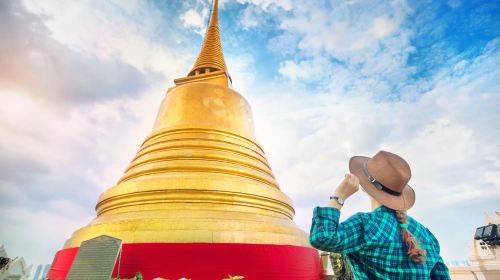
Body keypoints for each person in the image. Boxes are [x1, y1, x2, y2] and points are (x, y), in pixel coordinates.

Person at [309, 151, 450, 279]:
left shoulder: (366, 225)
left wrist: (338, 197)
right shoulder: (427, 236)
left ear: (365, 187)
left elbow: (322, 237)